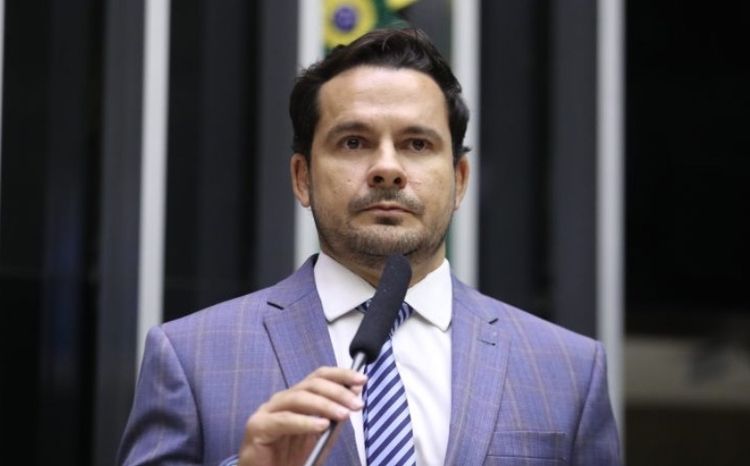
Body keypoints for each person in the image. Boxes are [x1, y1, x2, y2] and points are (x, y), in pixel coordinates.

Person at [117, 28, 620, 466]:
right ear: (302, 177)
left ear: (460, 179)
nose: (387, 168)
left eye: (417, 144)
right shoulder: (189, 357)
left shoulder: (568, 370)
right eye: (353, 142)